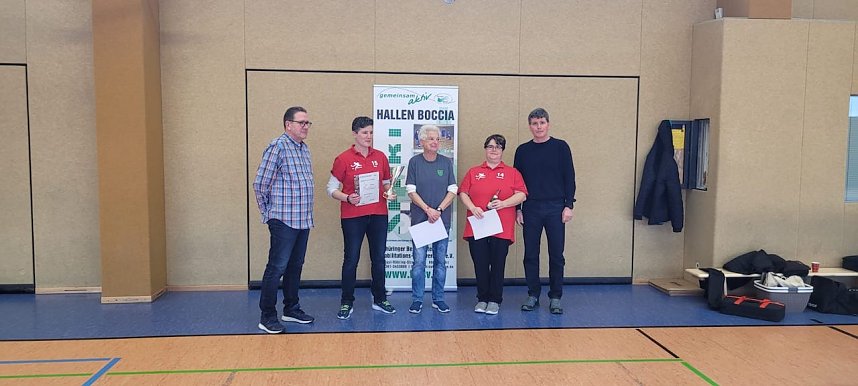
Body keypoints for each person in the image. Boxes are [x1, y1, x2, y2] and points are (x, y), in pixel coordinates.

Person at [253, 106, 316, 334]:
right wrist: (269, 213)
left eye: (308, 123)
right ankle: (267, 316)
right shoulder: (277, 147)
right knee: (276, 267)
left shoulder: (303, 149)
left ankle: (291, 308)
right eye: (301, 122)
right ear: (288, 124)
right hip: (283, 219)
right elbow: (260, 184)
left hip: (302, 219)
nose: (306, 126)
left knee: (295, 266)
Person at [327, 116, 396, 319]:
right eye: (365, 132)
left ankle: (380, 298)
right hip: (352, 216)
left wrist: (389, 192)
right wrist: (348, 197)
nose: (369, 136)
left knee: (379, 259)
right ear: (355, 134)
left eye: (371, 132)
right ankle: (347, 302)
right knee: (351, 259)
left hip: (378, 214)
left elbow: (386, 183)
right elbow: (330, 188)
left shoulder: (381, 157)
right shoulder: (343, 159)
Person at [513, 107, 576, 315]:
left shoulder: (561, 147)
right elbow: (517, 183)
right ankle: (533, 294)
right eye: (534, 123)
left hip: (556, 208)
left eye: (542, 123)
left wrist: (569, 205)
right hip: (530, 208)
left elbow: (570, 177)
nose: (538, 127)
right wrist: (517, 209)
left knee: (556, 254)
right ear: (529, 126)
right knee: (530, 253)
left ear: (548, 124)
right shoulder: (522, 150)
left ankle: (555, 297)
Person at [459, 134, 527, 315]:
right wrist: (473, 207)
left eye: (498, 147)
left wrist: (504, 204)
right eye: (490, 146)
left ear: (503, 150)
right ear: (485, 149)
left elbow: (522, 194)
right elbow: (463, 192)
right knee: (480, 263)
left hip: (501, 227)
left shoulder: (513, 173)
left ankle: (495, 300)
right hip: (478, 225)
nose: (494, 150)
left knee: (497, 264)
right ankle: (482, 299)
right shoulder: (474, 172)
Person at [405, 125, 458, 314]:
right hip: (421, 221)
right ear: (421, 142)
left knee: (440, 262)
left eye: (437, 139)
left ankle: (439, 298)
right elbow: (411, 191)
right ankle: (417, 299)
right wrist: (428, 210)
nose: (435, 142)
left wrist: (439, 210)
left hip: (441, 222)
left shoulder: (446, 162)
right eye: (431, 139)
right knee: (418, 262)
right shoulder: (414, 162)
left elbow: (453, 190)